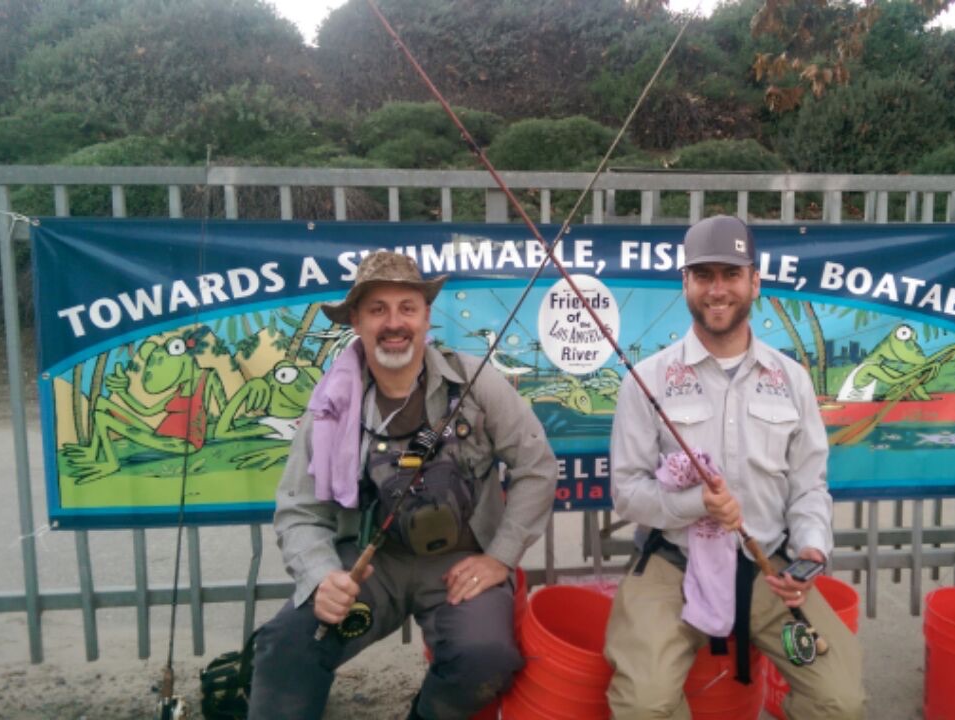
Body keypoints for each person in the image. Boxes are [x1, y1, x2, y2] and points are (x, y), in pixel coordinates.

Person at [248, 250, 558, 720]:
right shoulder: (330, 405)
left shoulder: (476, 382)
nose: (394, 323)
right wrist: (321, 577)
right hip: (370, 565)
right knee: (285, 647)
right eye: (378, 309)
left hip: (460, 563)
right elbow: (299, 508)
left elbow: (537, 466)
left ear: (426, 317)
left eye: (407, 308)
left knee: (485, 659)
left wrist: (500, 556)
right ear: (356, 321)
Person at [604, 215, 864, 719]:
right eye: (703, 275)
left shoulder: (792, 380)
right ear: (685, 283)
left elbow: (809, 487)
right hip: (673, 568)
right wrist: (695, 503)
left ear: (755, 282)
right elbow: (627, 492)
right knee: (644, 704)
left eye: (731, 274)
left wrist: (811, 549)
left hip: (770, 572)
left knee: (841, 701)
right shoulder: (646, 380)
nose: (717, 289)